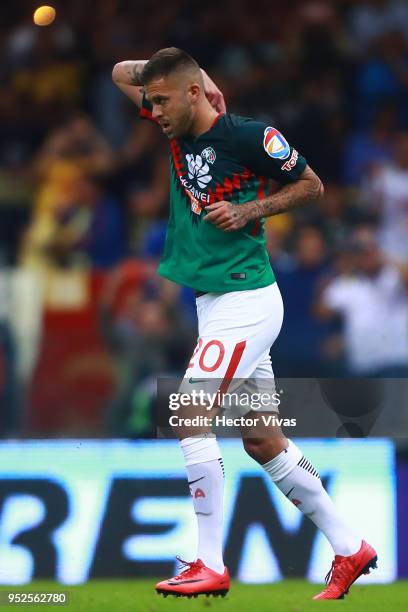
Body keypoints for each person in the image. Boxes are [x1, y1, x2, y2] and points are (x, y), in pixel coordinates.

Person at [112, 47, 377, 601]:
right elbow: (120, 73)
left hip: (245, 299)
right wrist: (199, 81)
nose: (153, 111)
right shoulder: (177, 122)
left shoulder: (248, 137)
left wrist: (250, 211)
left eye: (162, 101)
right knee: (261, 438)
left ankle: (208, 561)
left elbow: (313, 186)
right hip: (216, 301)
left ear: (189, 96)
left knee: (188, 411)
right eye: (151, 101)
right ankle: (350, 546)